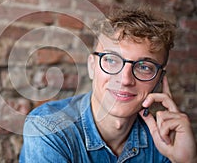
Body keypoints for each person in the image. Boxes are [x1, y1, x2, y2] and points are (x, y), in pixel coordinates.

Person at [19, 8, 197, 162]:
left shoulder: (166, 141)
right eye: (112, 60)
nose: (126, 79)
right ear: (92, 66)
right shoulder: (48, 127)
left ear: (159, 79)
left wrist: (187, 161)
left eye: (144, 67)